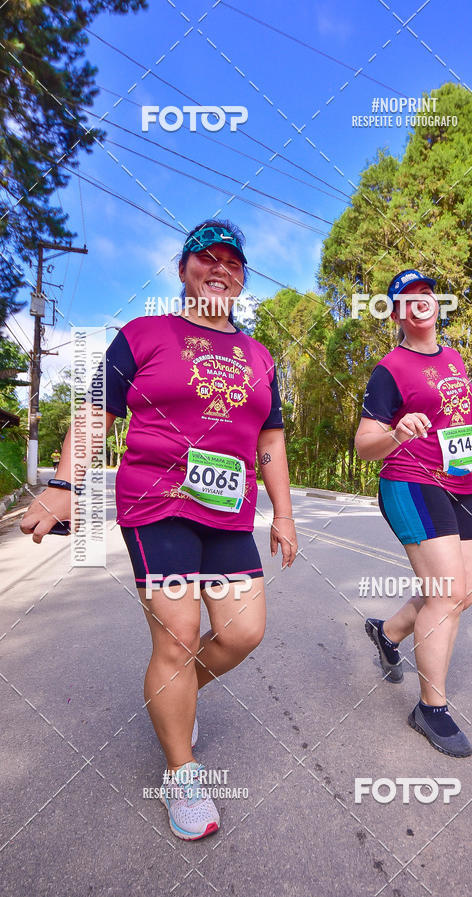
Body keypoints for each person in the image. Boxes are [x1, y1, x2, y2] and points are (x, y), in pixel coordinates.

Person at [21, 219, 298, 838]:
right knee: (178, 637)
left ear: (242, 277)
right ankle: (182, 771)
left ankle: (175, 698)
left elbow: (270, 438)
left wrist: (282, 511)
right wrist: (64, 485)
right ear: (183, 270)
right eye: (206, 258)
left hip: (228, 512)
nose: (219, 269)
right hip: (156, 503)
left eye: (232, 261)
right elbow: (96, 410)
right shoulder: (145, 334)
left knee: (243, 633)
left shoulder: (259, 357)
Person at [355, 268, 472, 758]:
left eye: (427, 295)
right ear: (396, 314)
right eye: (407, 299)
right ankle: (430, 708)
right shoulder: (390, 369)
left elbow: (459, 424)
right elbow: (365, 443)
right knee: (446, 594)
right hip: (411, 482)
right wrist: (397, 432)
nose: (420, 303)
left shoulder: (455, 359)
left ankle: (387, 634)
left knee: (462, 596)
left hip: (459, 483)